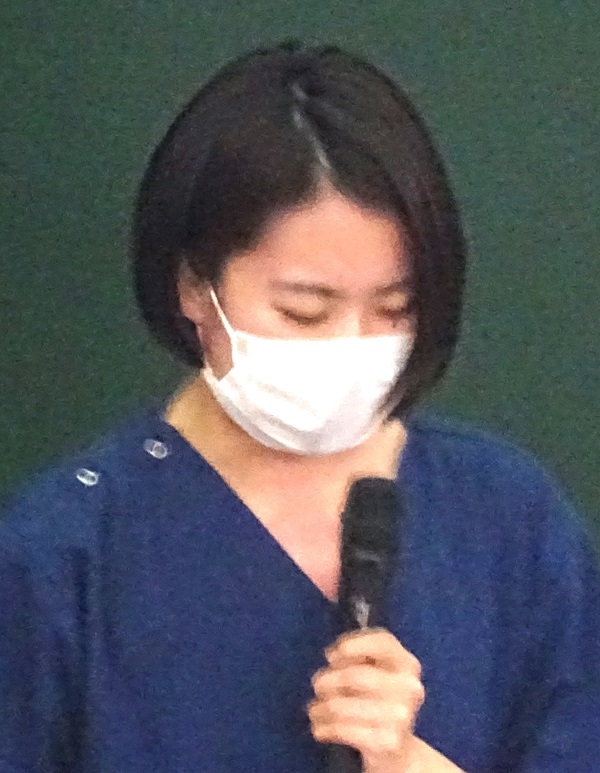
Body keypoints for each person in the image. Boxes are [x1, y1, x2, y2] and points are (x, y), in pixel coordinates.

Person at [1, 40, 599, 773]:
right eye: (304, 312)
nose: (353, 345)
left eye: (394, 308)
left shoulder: (508, 524)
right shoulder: (66, 557)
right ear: (195, 288)